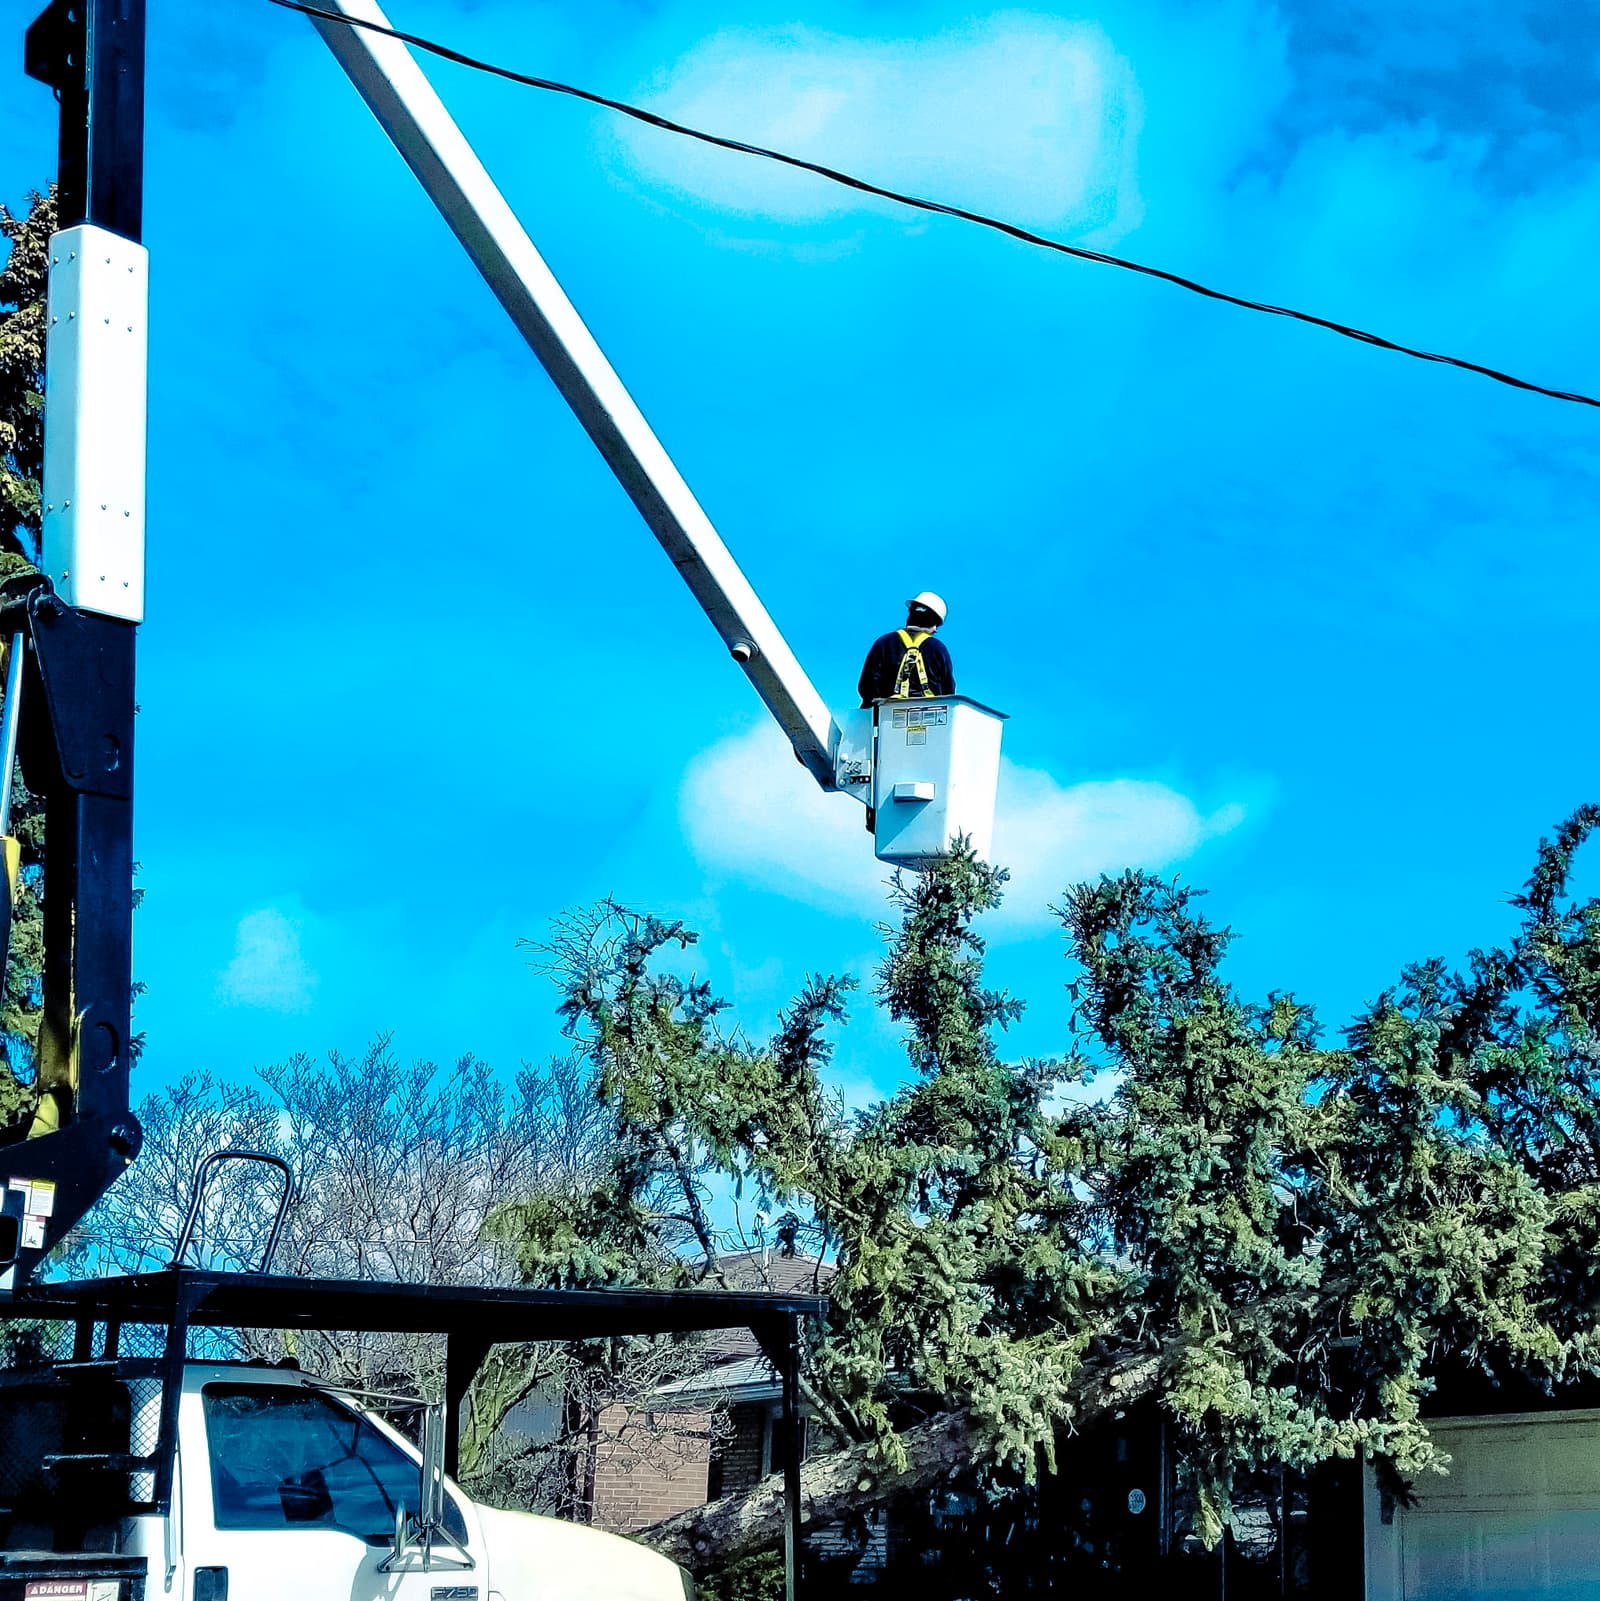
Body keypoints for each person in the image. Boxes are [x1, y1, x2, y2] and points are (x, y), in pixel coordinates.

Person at [858, 591, 955, 707]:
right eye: (937, 624)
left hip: (884, 719)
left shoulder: (883, 643)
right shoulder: (938, 649)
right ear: (932, 621)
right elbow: (949, 693)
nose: (935, 630)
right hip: (931, 718)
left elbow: (866, 686)